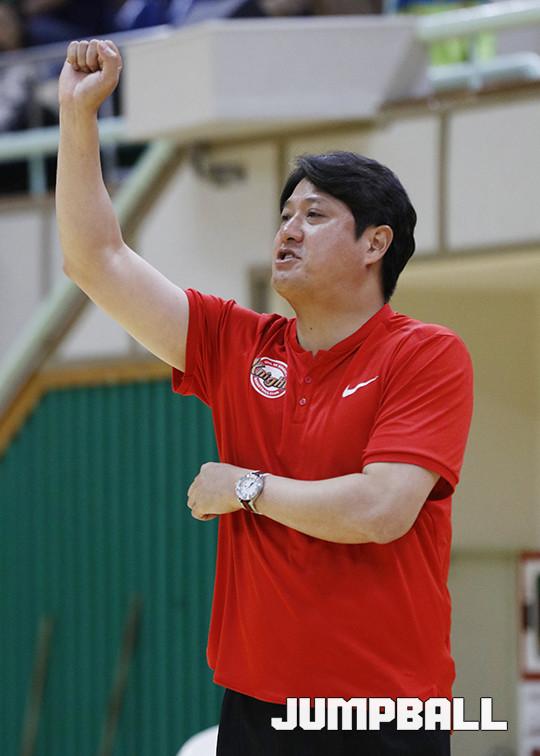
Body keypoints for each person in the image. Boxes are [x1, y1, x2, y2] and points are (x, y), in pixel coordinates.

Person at [56, 40, 473, 756]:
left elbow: (380, 511)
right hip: (255, 708)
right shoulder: (236, 343)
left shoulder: (425, 354)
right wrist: (77, 117)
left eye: (314, 215)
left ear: (376, 243)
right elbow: (96, 259)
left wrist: (244, 488)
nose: (287, 229)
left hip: (380, 714)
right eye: (284, 215)